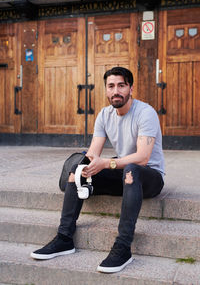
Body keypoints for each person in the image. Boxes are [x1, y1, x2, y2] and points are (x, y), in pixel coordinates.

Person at [30, 67, 165, 274]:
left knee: (131, 169)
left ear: (131, 88)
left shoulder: (145, 113)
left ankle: (122, 248)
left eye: (121, 85)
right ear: (106, 90)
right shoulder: (104, 114)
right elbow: (94, 153)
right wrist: (83, 169)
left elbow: (143, 157)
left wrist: (107, 164)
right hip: (123, 175)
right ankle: (64, 238)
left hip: (149, 177)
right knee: (79, 169)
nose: (116, 91)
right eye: (111, 86)